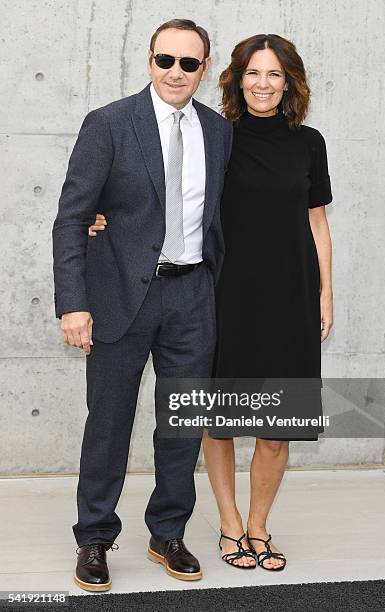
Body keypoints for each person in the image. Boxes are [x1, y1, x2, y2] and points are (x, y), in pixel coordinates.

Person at [89, 33, 334, 572]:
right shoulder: (220, 134)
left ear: (289, 81)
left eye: (274, 74)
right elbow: (155, 191)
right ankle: (227, 526)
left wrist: (325, 291)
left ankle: (258, 527)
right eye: (252, 72)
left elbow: (316, 221)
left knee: (277, 426)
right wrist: (101, 220)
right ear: (234, 77)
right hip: (223, 295)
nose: (262, 84)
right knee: (216, 420)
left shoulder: (306, 142)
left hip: (290, 296)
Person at [52, 19, 233, 591]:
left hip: (193, 294)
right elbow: (73, 217)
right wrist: (73, 303)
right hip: (119, 295)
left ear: (204, 69)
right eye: (165, 60)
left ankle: (168, 532)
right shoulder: (108, 123)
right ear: (148, 61)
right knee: (109, 421)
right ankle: (95, 538)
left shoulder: (218, 130)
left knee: (181, 423)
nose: (175, 72)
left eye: (188, 63)